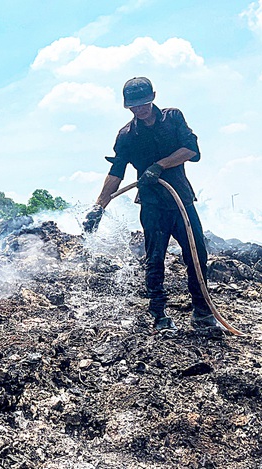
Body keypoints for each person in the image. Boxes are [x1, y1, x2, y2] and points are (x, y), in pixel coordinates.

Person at [83, 76, 217, 333]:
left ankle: (202, 312)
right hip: (153, 204)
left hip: (181, 201)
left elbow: (191, 150)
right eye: (133, 106)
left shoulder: (173, 118)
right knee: (154, 259)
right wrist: (99, 206)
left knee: (196, 255)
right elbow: (116, 172)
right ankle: (159, 314)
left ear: (153, 97)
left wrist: (159, 165)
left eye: (143, 103)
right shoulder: (126, 136)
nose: (139, 109)